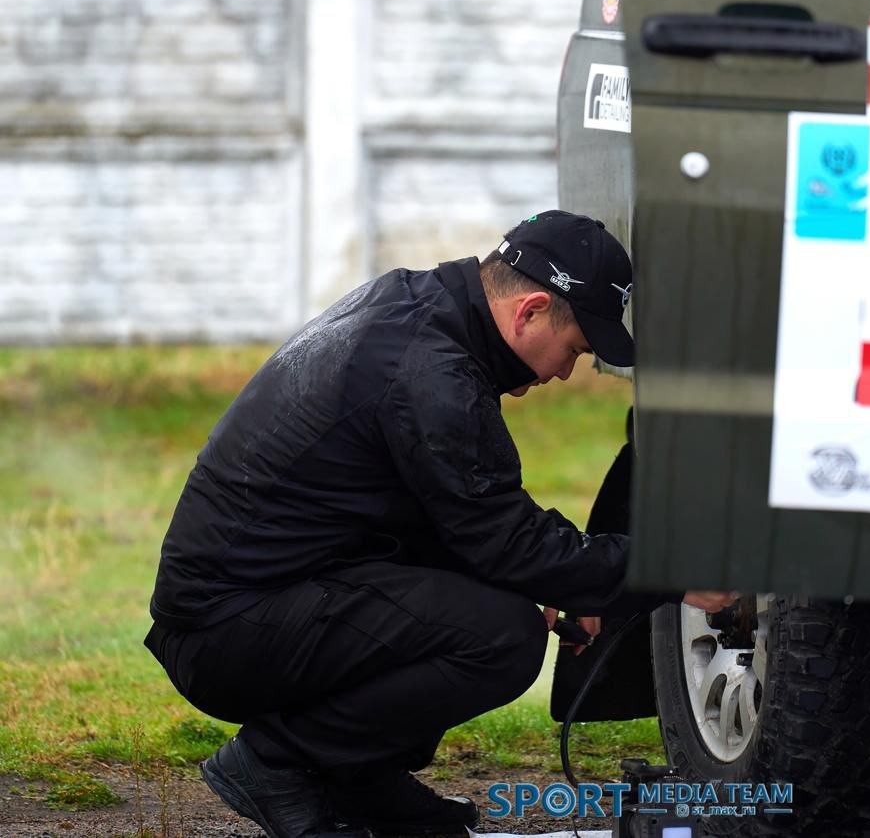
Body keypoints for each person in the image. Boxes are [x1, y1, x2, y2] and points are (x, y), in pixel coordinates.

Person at [143, 210, 737, 838]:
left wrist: (558, 579)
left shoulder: (414, 309)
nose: (563, 372)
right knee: (503, 637)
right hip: (227, 633)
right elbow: (510, 544)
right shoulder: (434, 373)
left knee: (492, 604)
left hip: (247, 607)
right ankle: (276, 763)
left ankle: (356, 781)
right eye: (574, 349)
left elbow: (461, 516)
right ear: (531, 311)